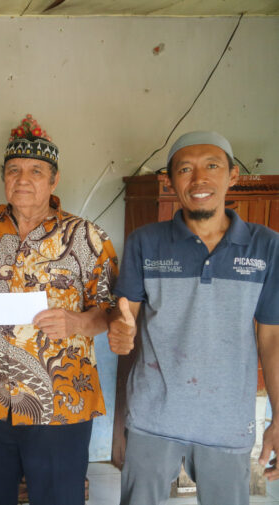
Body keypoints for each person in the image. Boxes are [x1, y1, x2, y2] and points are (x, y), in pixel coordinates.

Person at [0, 135, 118, 505]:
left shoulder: (85, 236)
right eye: (14, 170)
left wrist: (77, 323)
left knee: (58, 497)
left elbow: (112, 310)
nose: (22, 179)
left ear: (54, 181)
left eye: (36, 171)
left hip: (59, 397)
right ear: (4, 178)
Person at [108, 131, 279, 505]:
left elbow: (272, 339)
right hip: (153, 415)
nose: (199, 179)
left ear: (233, 175)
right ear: (171, 181)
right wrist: (120, 330)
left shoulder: (266, 246)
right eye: (185, 169)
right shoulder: (145, 241)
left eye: (212, 166)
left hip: (227, 419)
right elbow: (126, 314)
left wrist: (278, 417)